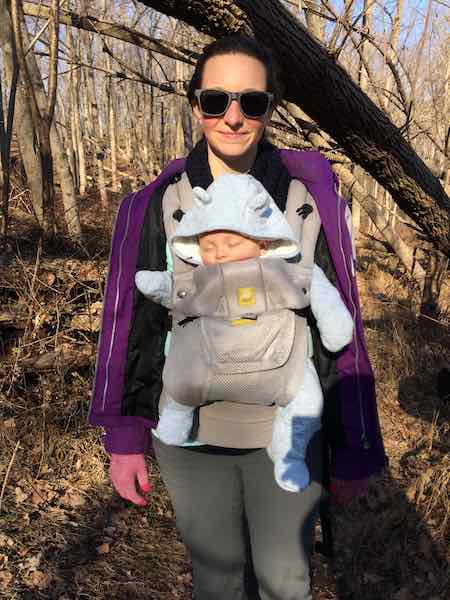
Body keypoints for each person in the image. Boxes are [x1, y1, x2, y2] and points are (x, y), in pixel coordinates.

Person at [89, 34, 387, 600]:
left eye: (251, 102)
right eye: (215, 100)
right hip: (190, 433)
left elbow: (341, 324)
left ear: (271, 108)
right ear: (195, 103)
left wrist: (356, 444)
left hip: (288, 428)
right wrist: (124, 434)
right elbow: (128, 324)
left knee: (286, 580)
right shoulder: (154, 203)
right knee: (218, 579)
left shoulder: (310, 198)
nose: (232, 117)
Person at [135, 173, 354, 494]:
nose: (220, 253)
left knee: (308, 401)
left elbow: (314, 286)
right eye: (209, 245)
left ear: (261, 240)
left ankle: (288, 451)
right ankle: (178, 417)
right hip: (206, 364)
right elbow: (176, 289)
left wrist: (335, 324)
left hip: (283, 363)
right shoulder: (201, 276)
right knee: (179, 378)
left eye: (231, 243)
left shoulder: (285, 269)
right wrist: (158, 284)